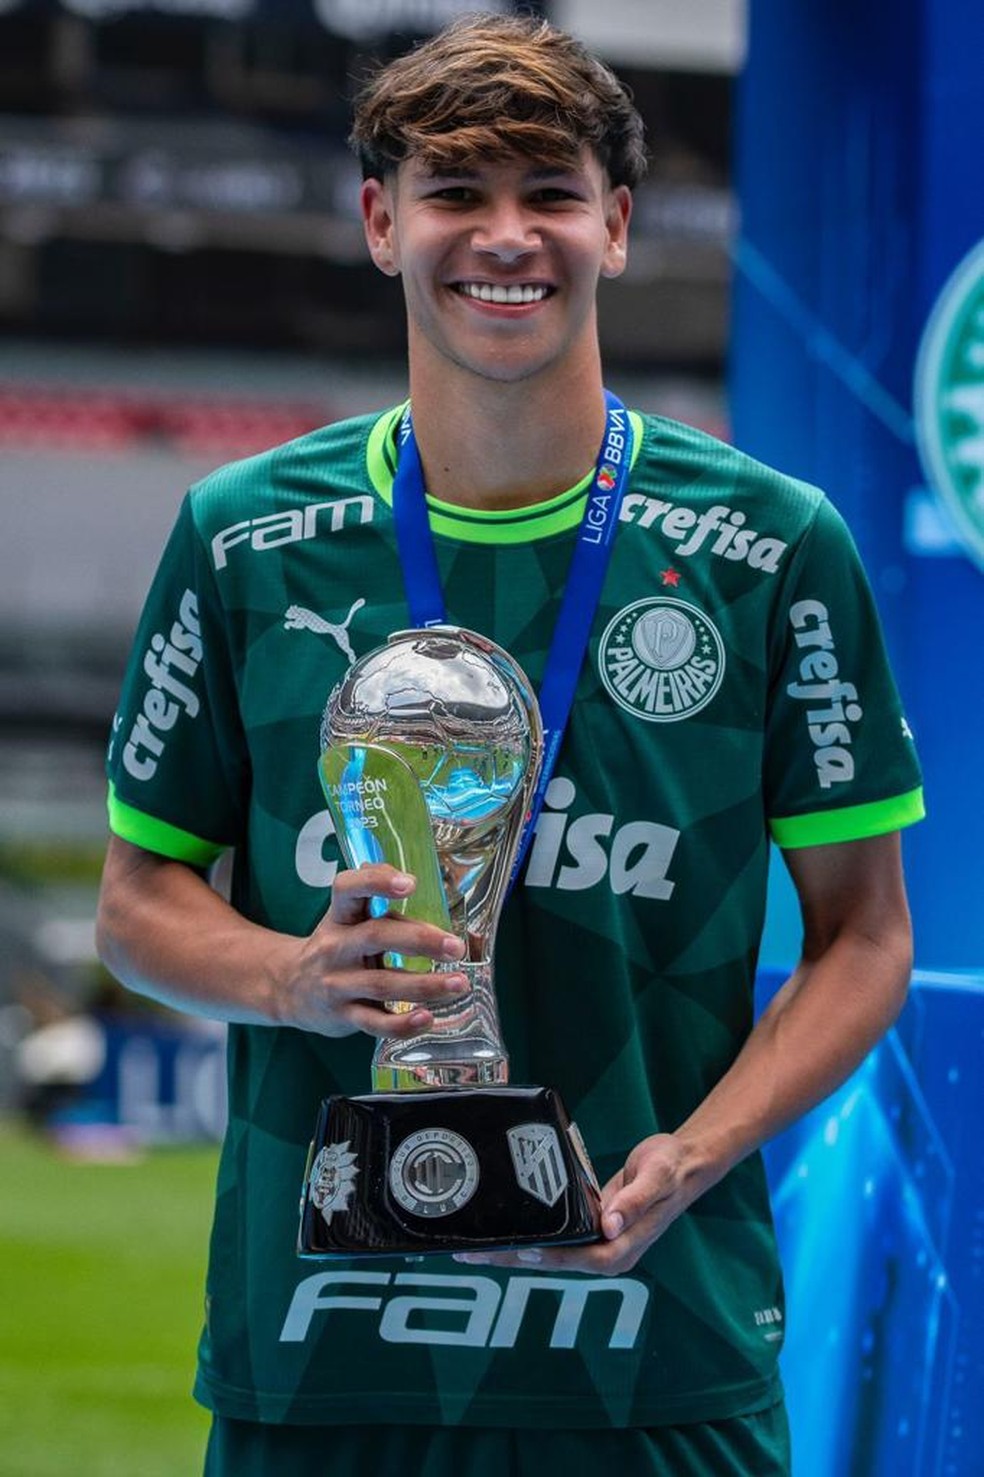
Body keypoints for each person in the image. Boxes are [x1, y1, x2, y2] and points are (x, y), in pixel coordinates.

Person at [96, 14, 924, 1476]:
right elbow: (137, 902)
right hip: (324, 1359)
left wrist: (703, 1147)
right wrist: (292, 976)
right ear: (378, 221)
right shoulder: (242, 539)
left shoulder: (771, 548)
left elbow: (864, 935)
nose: (505, 238)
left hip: (658, 1345)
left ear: (615, 221)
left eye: (548, 193)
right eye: (455, 195)